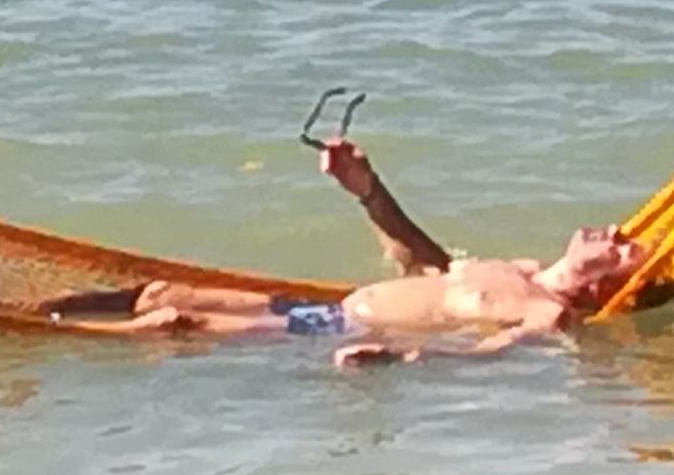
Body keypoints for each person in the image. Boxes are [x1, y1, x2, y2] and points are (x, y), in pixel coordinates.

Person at [84, 130, 645, 364]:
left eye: (624, 251)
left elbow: (481, 360)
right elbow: (417, 260)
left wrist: (400, 362)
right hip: (326, 308)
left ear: (603, 286)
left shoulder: (547, 313)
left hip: (339, 331)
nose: (615, 233)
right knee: (164, 292)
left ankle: (30, 332)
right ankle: (38, 311)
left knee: (176, 322)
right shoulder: (519, 268)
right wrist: (366, 189)